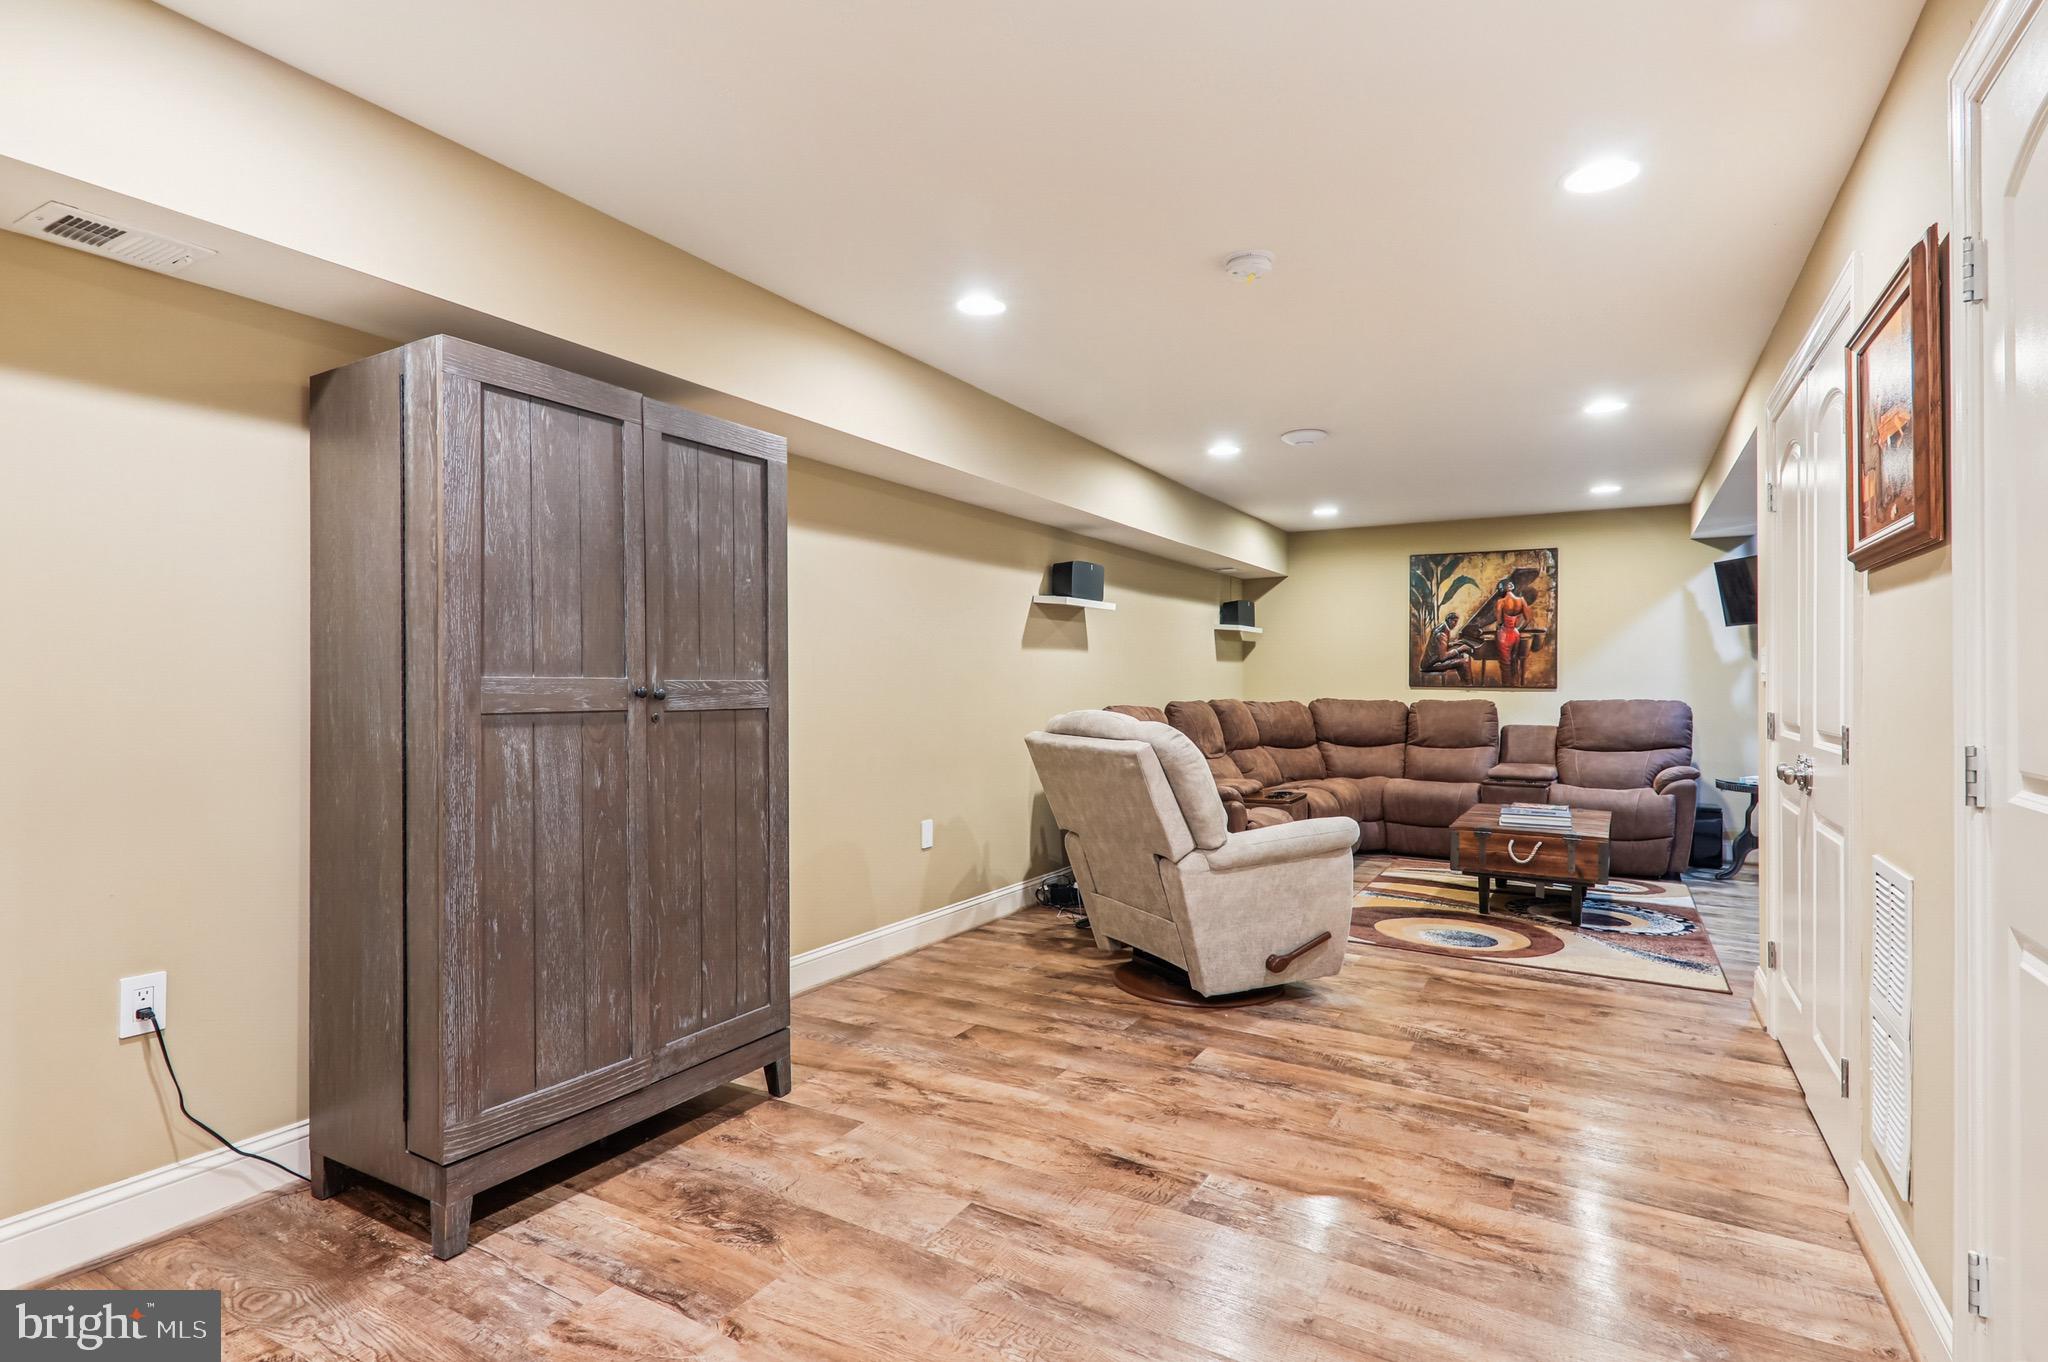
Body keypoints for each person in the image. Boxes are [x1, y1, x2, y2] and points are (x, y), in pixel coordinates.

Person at [1420, 610, 1476, 684]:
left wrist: (1453, 644)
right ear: (1449, 620)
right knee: (1464, 662)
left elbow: (1438, 646)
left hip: (1430, 661)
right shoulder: (1442, 634)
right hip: (1431, 665)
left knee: (1460, 656)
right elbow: (1443, 657)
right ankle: (1468, 686)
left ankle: (1464, 684)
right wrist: (1460, 649)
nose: (1455, 624)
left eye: (1456, 622)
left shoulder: (1441, 628)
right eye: (1454, 621)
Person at [1496, 578, 1532, 686]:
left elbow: (1499, 622)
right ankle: (1515, 684)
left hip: (1504, 634)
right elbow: (1528, 619)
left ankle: (1506, 686)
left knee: (1505, 664)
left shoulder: (1500, 602)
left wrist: (1500, 630)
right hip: (1516, 634)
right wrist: (1518, 629)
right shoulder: (1521, 600)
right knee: (1514, 661)